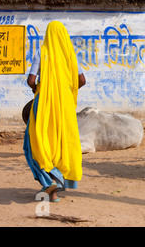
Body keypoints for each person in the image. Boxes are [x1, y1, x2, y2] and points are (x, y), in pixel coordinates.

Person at [23, 21, 86, 202]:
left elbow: (30, 80)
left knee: (37, 143)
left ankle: (50, 184)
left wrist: (39, 88)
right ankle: (55, 189)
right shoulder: (71, 55)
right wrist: (65, 91)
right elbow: (81, 80)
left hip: (43, 103)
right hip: (64, 105)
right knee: (61, 142)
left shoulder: (41, 53)